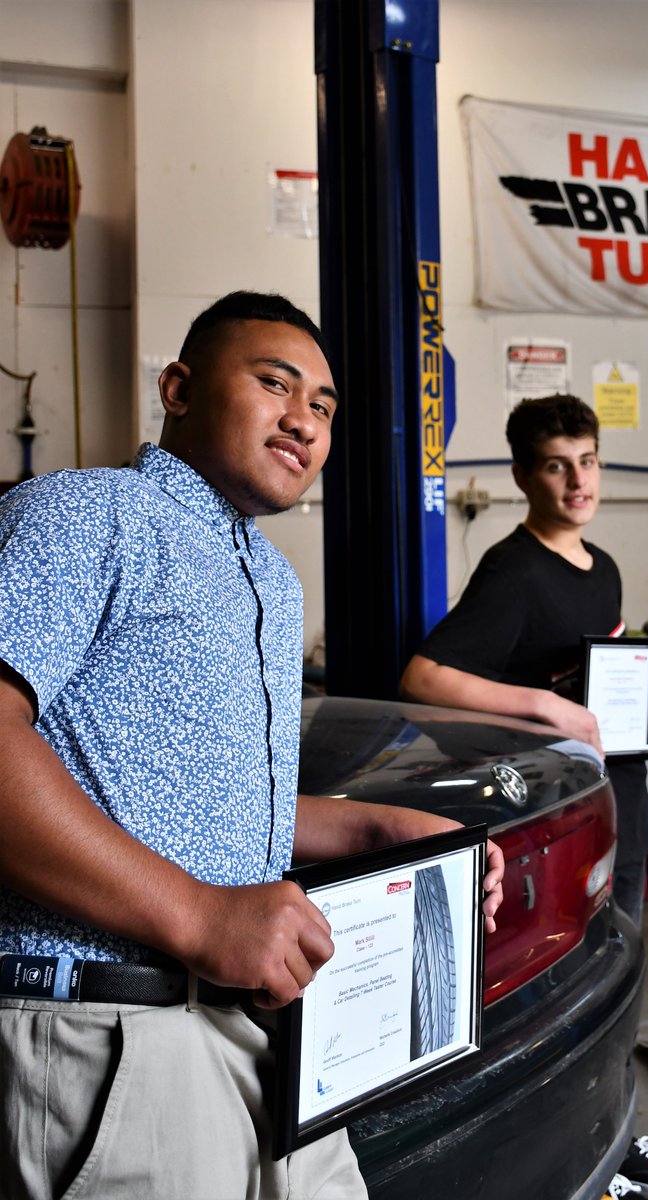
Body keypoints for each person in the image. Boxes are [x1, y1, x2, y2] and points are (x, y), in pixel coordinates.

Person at [0, 291, 504, 1200]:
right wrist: (199, 915)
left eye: (322, 406)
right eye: (274, 384)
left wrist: (378, 833)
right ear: (180, 388)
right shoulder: (84, 514)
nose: (303, 420)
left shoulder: (267, 577)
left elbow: (216, 804)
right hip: (111, 1022)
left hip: (256, 1024)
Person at [400, 393, 648, 1200]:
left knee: (618, 976)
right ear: (522, 476)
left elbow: (594, 685)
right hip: (552, 820)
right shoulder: (513, 570)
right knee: (561, 997)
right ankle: (576, 1157)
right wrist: (544, 706)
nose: (578, 480)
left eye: (589, 460)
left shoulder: (600, 568)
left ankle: (613, 1135)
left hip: (623, 803)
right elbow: (423, 677)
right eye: (556, 465)